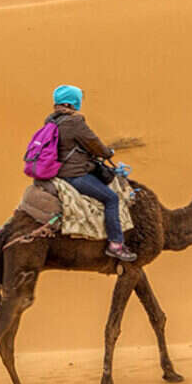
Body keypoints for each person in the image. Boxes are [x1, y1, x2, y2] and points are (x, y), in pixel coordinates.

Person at [47, 84, 135, 262]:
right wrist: (107, 153)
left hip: (59, 172)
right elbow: (94, 143)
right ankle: (116, 244)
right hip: (75, 175)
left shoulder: (51, 121)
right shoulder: (75, 122)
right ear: (73, 102)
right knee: (112, 198)